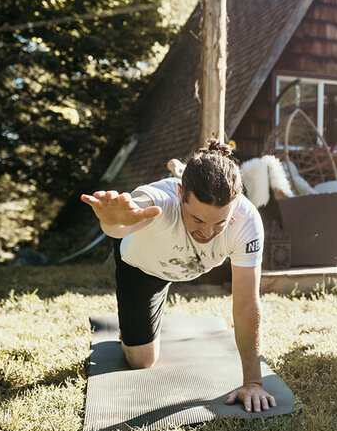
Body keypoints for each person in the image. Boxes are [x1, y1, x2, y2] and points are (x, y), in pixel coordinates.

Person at [81, 138, 276, 412]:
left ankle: (181, 168)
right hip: (142, 267)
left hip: (185, 263)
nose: (207, 234)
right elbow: (123, 223)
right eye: (197, 220)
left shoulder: (246, 220)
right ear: (180, 193)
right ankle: (179, 171)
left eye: (220, 222)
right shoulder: (160, 199)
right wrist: (113, 221)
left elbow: (246, 304)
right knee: (141, 360)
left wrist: (253, 382)